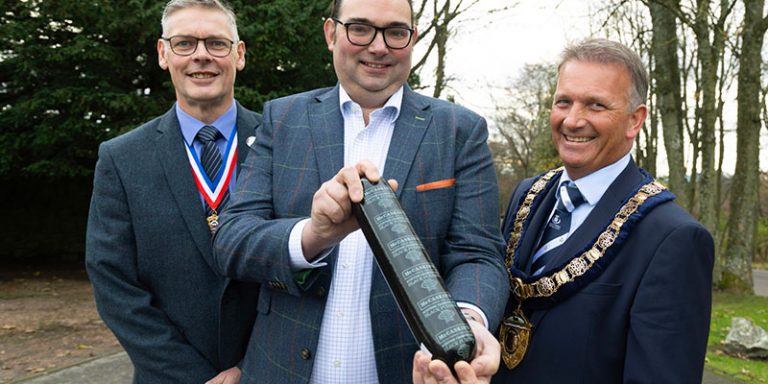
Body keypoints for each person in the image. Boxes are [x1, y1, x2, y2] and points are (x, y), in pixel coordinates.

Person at [211, 0, 508, 382]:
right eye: (360, 28)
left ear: (412, 39)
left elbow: (478, 254)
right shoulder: (282, 119)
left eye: (396, 32)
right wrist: (313, 235)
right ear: (331, 34)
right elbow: (230, 242)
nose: (379, 46)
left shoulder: (459, 131)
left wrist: (465, 323)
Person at [493, 38, 714, 383]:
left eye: (596, 105)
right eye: (563, 102)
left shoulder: (672, 238)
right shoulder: (527, 196)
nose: (572, 120)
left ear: (634, 120)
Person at [85, 0, 260, 382]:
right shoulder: (122, 158)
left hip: (270, 371)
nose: (201, 56)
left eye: (216, 43)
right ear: (164, 54)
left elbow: (306, 270)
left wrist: (251, 367)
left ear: (239, 54)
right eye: (184, 44)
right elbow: (114, 283)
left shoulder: (281, 145)